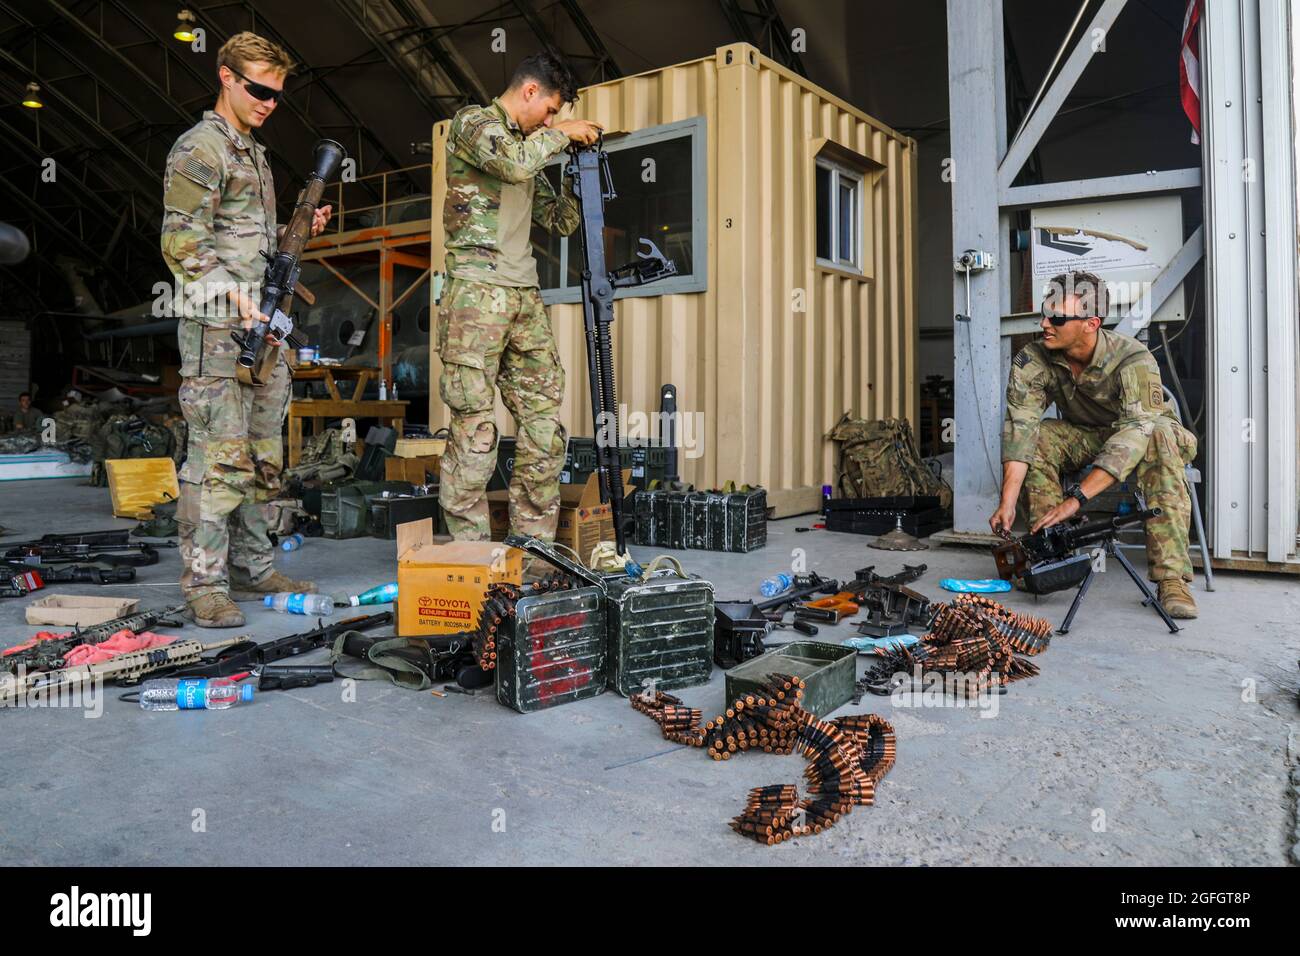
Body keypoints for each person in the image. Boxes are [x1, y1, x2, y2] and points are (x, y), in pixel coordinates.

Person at [160, 32, 331, 627]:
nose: (268, 102)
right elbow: (181, 236)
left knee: (262, 453)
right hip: (216, 330)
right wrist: (227, 286)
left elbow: (242, 236)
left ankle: (254, 566)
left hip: (264, 327)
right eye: (259, 89)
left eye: (278, 95)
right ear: (226, 76)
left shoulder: (253, 154)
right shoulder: (201, 146)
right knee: (215, 457)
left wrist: (295, 228)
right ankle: (205, 585)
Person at [437, 52, 602, 542]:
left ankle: (533, 555)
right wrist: (561, 135)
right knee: (475, 429)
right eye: (551, 110)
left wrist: (581, 172)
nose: (552, 120)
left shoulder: (533, 147)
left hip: (523, 295)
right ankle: (471, 557)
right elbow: (510, 166)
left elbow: (562, 220)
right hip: (476, 292)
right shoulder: (474, 124)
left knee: (544, 428)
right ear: (529, 92)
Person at [989, 271, 1200, 619]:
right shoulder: (1034, 358)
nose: (1044, 323)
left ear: (1091, 323)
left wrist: (1077, 500)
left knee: (1159, 437)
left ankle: (1172, 579)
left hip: (1143, 434)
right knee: (1041, 435)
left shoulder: (1133, 357)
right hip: (1086, 435)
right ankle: (1051, 558)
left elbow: (1136, 432)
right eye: (1044, 313)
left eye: (1057, 317)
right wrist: (1007, 502)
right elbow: (1021, 428)